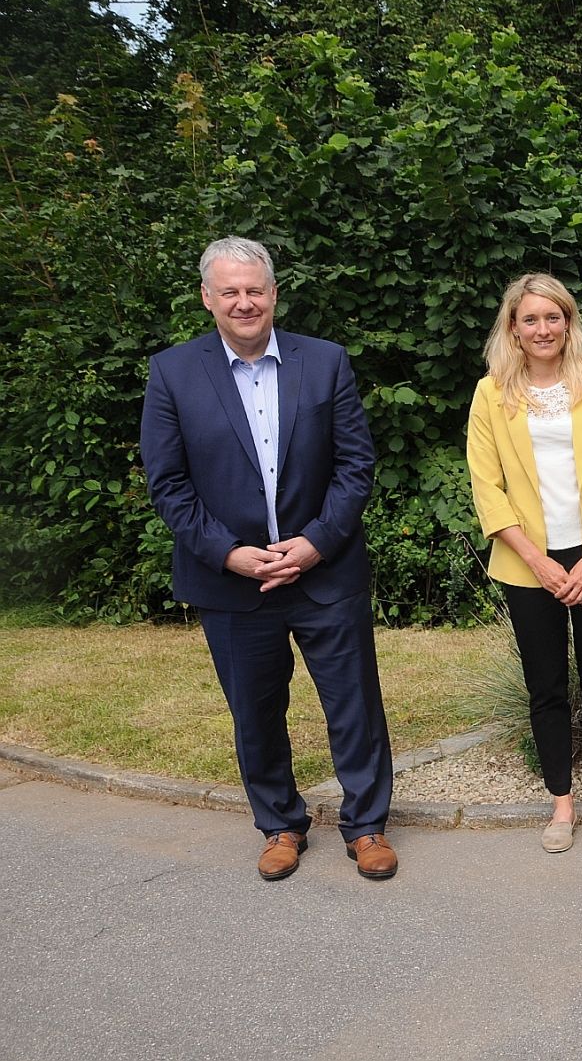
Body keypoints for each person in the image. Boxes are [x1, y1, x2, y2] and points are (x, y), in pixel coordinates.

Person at [140, 236, 397, 882]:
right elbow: (168, 483)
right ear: (208, 298)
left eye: (255, 289)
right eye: (230, 291)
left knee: (354, 704)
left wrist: (313, 543)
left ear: (275, 293)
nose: (244, 301)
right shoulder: (172, 373)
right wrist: (229, 553)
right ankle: (280, 823)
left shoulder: (326, 362)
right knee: (254, 710)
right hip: (231, 583)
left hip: (326, 572)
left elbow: (355, 466)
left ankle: (366, 825)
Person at [466, 273, 582, 854]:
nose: (544, 329)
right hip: (527, 564)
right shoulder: (491, 394)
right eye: (531, 319)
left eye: (554, 317)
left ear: (569, 324)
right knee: (546, 687)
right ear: (512, 328)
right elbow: (487, 488)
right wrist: (539, 562)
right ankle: (562, 806)